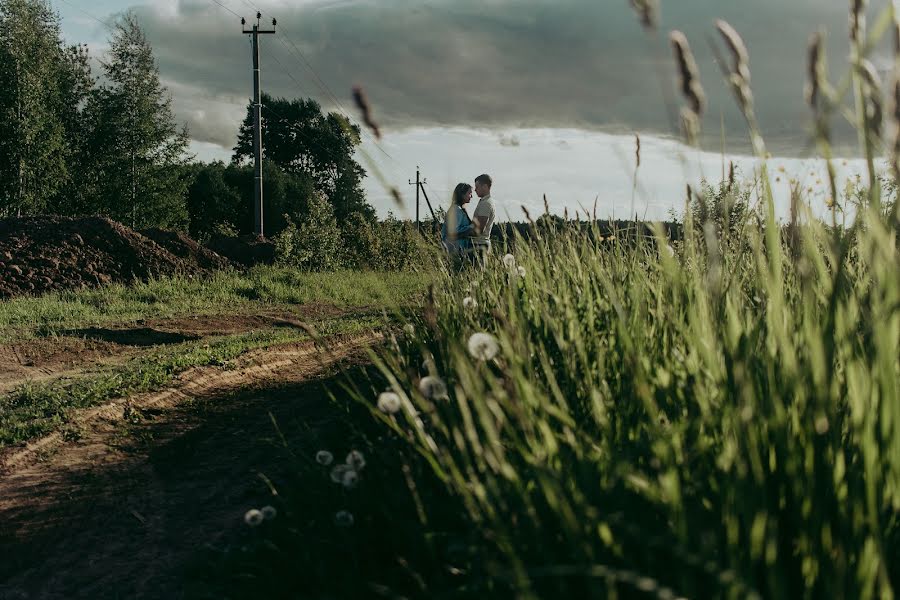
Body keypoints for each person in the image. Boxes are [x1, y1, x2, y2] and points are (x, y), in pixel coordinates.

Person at [441, 183, 476, 258]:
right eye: (469, 193)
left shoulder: (459, 209)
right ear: (462, 194)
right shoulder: (456, 210)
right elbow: (453, 233)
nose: (471, 196)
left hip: (457, 250)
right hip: (455, 251)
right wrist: (470, 228)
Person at [472, 174, 495, 256]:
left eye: (477, 187)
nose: (475, 190)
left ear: (485, 186)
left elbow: (479, 228)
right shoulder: (484, 201)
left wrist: (459, 234)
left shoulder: (486, 203)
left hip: (480, 245)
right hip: (481, 244)